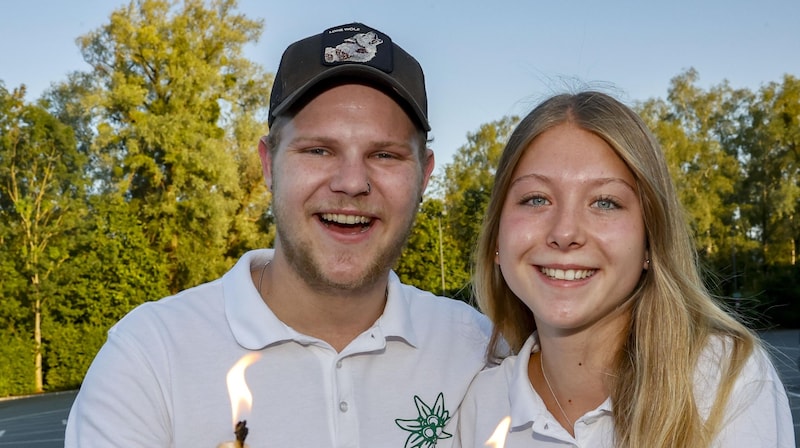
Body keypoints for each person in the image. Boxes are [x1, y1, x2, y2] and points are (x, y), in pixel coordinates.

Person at [66, 22, 490, 447]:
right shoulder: (147, 358)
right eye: (318, 150)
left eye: (384, 154)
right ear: (269, 165)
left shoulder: (478, 350)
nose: (351, 182)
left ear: (424, 175)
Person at [455, 91, 795, 447]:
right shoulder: (482, 405)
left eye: (605, 202)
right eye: (536, 199)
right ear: (497, 238)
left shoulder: (723, 379)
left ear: (651, 241)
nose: (565, 232)